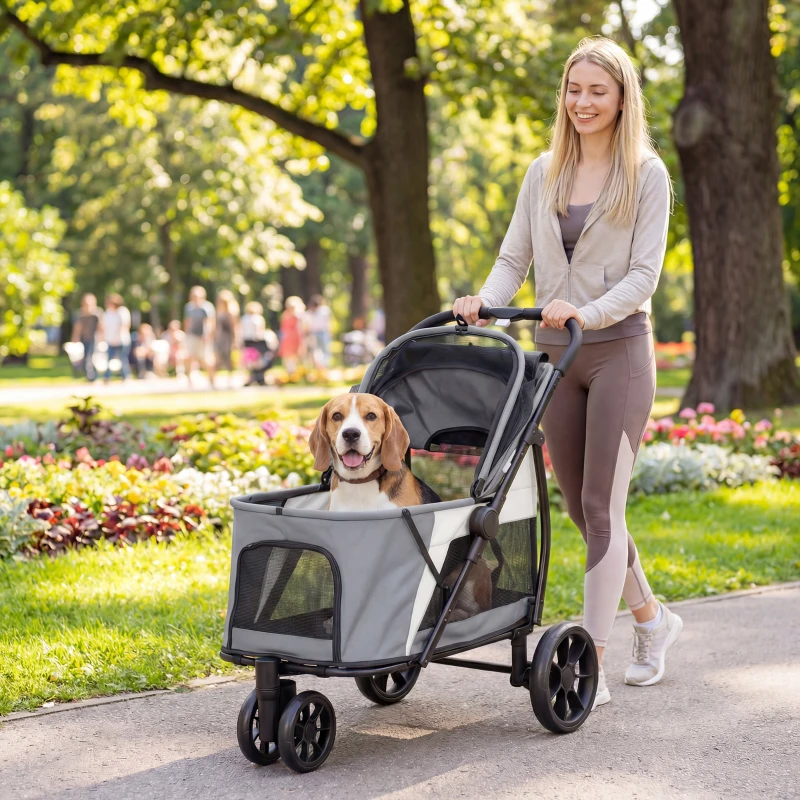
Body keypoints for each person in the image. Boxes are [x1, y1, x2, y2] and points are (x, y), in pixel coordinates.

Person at [453, 37, 681, 710]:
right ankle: (653, 621)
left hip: (618, 354)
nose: (583, 102)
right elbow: (511, 260)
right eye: (574, 90)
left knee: (603, 510)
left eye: (597, 91)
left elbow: (645, 276)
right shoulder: (542, 171)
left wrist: (586, 309)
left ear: (621, 98)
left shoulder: (647, 175)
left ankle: (596, 664)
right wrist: (483, 303)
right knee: (584, 509)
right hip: (556, 358)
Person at [241, 301, 278, 386]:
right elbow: (259, 332)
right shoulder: (258, 318)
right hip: (257, 342)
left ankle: (251, 378)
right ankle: (260, 377)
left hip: (247, 342)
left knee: (250, 362)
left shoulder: (244, 318)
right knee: (259, 361)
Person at [183, 286, 215, 383]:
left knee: (206, 358)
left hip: (203, 336)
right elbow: (187, 321)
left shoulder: (207, 307)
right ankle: (189, 380)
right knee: (189, 356)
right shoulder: (189, 307)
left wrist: (208, 335)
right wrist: (186, 334)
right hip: (192, 335)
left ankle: (211, 379)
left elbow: (210, 322)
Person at [70, 293, 102, 381]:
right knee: (85, 358)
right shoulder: (80, 314)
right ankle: (91, 375)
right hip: (84, 339)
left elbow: (101, 327)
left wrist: (101, 338)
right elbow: (78, 327)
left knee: (90, 357)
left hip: (93, 339)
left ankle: (91, 376)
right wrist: (75, 338)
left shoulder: (97, 313)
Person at [213, 290, 240, 388]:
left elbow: (235, 327)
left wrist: (235, 340)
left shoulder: (231, 313)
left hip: (228, 338)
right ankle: (213, 380)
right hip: (219, 339)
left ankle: (230, 379)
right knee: (217, 359)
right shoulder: (219, 312)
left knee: (229, 359)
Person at [102, 293, 131, 382]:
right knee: (109, 359)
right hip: (110, 340)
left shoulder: (122, 311)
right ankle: (107, 377)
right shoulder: (108, 312)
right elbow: (104, 326)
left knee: (123, 359)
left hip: (122, 340)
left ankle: (126, 376)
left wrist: (117, 337)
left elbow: (124, 325)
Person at [278, 296, 306, 376]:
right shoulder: (293, 316)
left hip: (290, 337)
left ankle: (292, 372)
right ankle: (291, 373)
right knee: (291, 355)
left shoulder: (286, 315)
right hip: (291, 337)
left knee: (292, 355)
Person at [306, 294, 332, 369]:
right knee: (314, 350)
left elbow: (328, 322)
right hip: (313, 333)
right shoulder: (309, 312)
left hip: (323, 332)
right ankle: (317, 365)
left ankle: (325, 365)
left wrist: (329, 332)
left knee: (325, 349)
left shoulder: (324, 311)